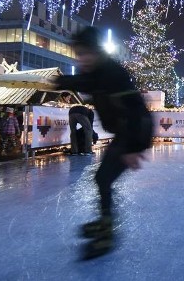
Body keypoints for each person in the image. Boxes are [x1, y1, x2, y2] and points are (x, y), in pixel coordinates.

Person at [54, 26, 153, 260]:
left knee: (104, 178)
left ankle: (107, 233)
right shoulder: (100, 72)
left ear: (97, 52)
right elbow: (88, 82)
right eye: (78, 55)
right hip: (125, 134)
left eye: (85, 53)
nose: (81, 59)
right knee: (102, 179)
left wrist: (134, 148)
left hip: (133, 133)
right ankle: (104, 222)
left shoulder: (112, 73)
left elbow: (139, 113)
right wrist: (61, 81)